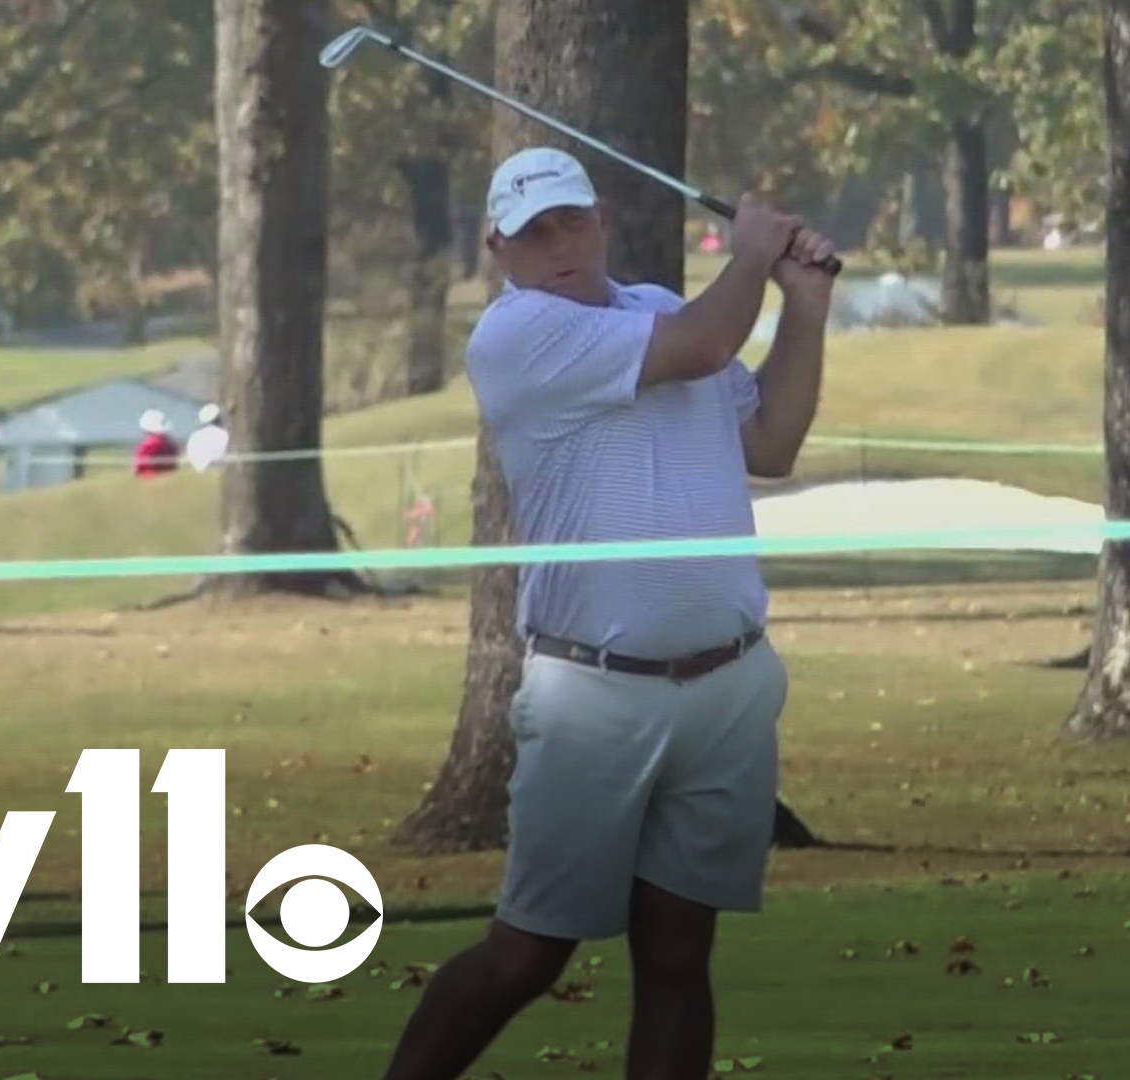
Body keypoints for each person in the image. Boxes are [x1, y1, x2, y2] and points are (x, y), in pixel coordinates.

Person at [377, 146, 835, 1080]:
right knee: (528, 953)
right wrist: (750, 255)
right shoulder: (516, 338)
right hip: (595, 695)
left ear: (601, 223)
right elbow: (703, 346)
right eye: (533, 233)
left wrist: (806, 307)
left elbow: (772, 440)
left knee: (677, 954)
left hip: (727, 686)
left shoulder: (661, 306)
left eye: (571, 222)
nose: (558, 247)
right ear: (498, 249)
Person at [132, 409, 180, 478]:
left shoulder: (147, 445)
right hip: (168, 478)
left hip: (149, 477)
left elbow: (138, 467)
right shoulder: (170, 443)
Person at [184, 403, 229, 473]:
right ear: (218, 418)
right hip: (221, 470)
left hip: (199, 471)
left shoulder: (194, 436)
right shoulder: (224, 434)